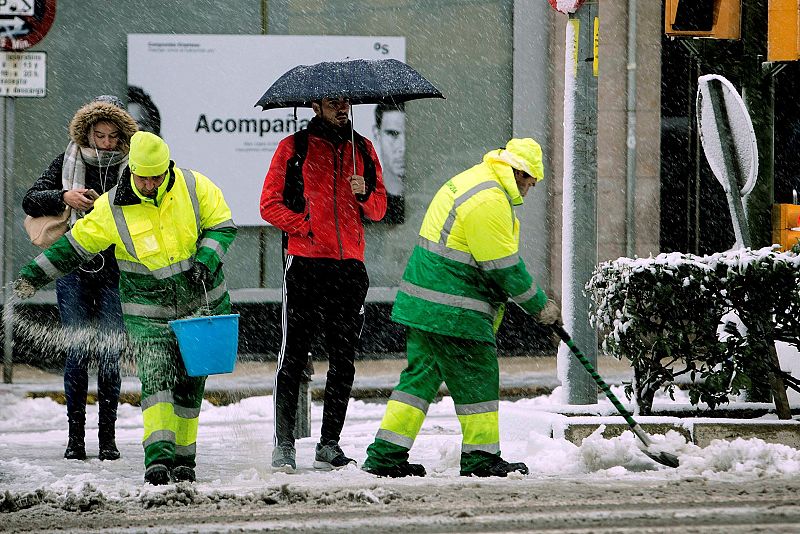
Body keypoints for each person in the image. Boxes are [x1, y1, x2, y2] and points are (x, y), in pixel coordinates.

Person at [14, 131, 238, 486]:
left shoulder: (195, 187)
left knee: (190, 385)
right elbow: (74, 247)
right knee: (157, 379)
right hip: (147, 311)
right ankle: (158, 461)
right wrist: (30, 277)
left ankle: (184, 460)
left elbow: (222, 225)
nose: (149, 184)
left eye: (156, 176)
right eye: (142, 176)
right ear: (131, 170)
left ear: (168, 169)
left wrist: (207, 257)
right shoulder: (111, 207)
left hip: (201, 306)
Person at [362, 138, 562, 478]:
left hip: (425, 304)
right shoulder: (489, 199)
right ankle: (481, 458)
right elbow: (503, 267)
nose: (529, 190)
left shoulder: (474, 180)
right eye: (528, 182)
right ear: (517, 172)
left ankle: (386, 455)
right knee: (478, 379)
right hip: (454, 309)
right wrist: (541, 307)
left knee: (417, 382)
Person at [260, 96, 387, 472]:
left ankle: (329, 443)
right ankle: (284, 444)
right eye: (334, 103)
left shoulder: (362, 148)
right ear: (316, 106)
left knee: (343, 359)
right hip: (306, 265)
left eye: (346, 102)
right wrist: (306, 227)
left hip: (349, 268)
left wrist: (364, 192)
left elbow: (379, 208)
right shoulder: (294, 147)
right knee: (294, 356)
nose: (342, 108)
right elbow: (268, 205)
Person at [22, 95, 138, 461]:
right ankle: (75, 439)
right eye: (99, 135)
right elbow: (30, 200)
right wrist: (64, 195)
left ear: (122, 137)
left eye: (112, 136)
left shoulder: (133, 166)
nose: (105, 143)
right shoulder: (67, 160)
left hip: (114, 269)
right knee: (76, 353)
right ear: (86, 133)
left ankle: (108, 439)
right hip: (72, 269)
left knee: (109, 354)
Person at [373, 103, 406, 224]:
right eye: (393, 134)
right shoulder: (365, 199)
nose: (402, 147)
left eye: (410, 134)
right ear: (377, 135)